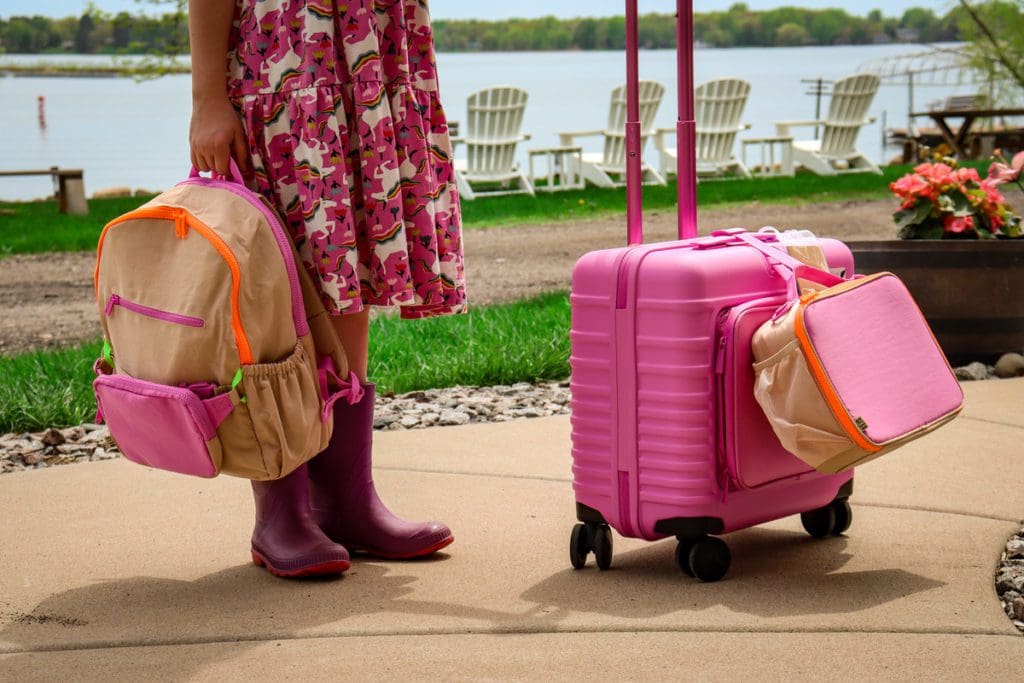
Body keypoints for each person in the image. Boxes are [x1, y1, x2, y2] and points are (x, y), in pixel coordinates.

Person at [187, 0, 466, 578]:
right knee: (276, 286)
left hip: (373, 65)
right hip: (289, 64)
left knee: (350, 274)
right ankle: (280, 513)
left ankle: (346, 503)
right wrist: (207, 100)